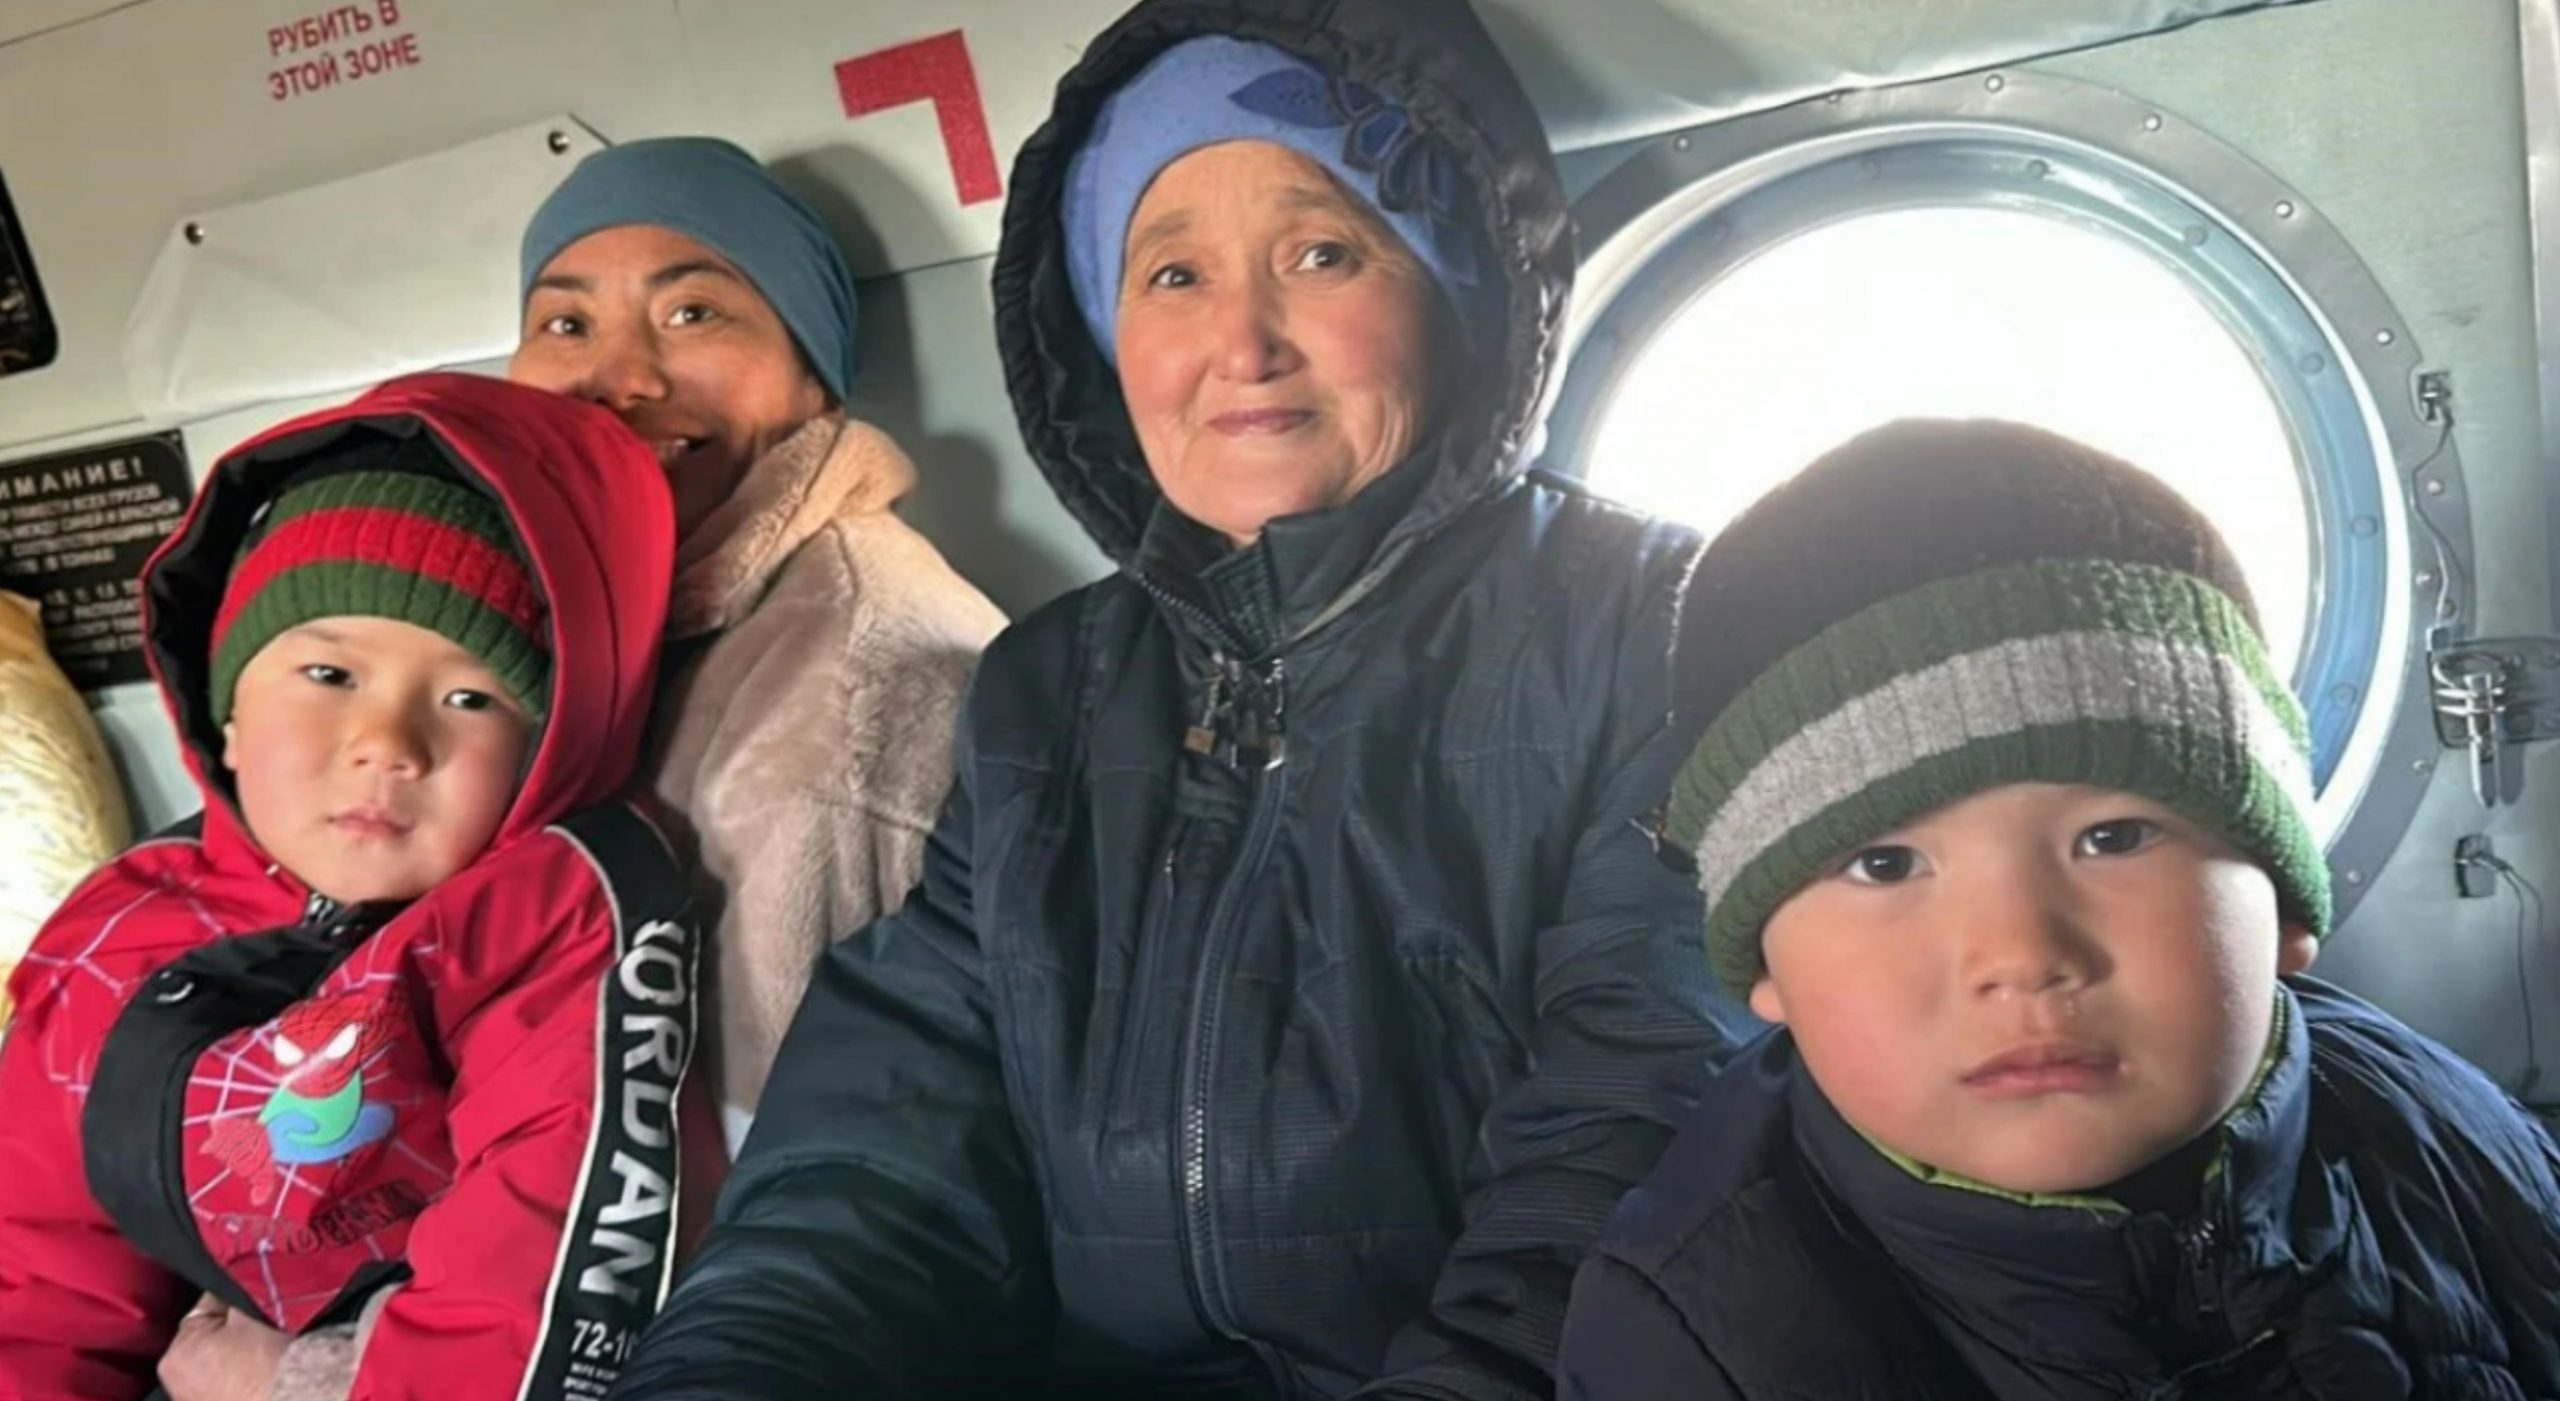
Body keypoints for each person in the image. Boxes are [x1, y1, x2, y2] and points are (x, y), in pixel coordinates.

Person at [609, 1, 1739, 1395]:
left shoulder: (1651, 626)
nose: (1241, 343)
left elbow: (1635, 1139)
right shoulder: (1047, 691)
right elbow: (879, 1157)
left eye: (1322, 253)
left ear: (1456, 293)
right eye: (1173, 275)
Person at [1557, 420, 2560, 1399]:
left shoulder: (2438, 1122)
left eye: (2112, 838)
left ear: (2286, 907)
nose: (2022, 953)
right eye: (1885, 863)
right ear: (1767, 968)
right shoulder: (1697, 1333)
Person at [0, 374, 701, 1401]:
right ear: (225, 713)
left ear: (551, 748)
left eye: (470, 697)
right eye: (329, 676)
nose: (386, 744)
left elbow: (526, 1300)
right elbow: (41, 1278)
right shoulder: (119, 930)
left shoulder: (559, 929)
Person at [507, 137, 1005, 1148]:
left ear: (814, 379)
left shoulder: (859, 686)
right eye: (567, 323)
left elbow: (792, 1156)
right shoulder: (561, 623)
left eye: (693, 312)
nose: (621, 378)